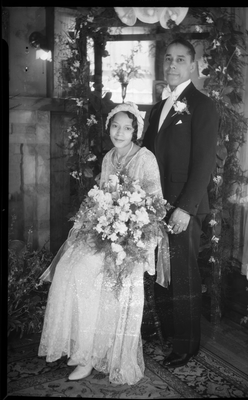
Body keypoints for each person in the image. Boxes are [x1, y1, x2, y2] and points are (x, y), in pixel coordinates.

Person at [38, 102, 169, 385]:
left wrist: (129, 230)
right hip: (108, 232)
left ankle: (91, 356)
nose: (119, 133)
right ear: (108, 127)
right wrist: (96, 221)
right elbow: (104, 196)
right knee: (68, 269)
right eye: (115, 126)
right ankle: (81, 347)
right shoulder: (109, 156)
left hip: (134, 238)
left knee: (90, 277)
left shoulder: (146, 158)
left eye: (127, 128)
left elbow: (155, 207)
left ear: (136, 131)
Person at [143, 37, 219, 368]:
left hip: (183, 209)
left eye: (179, 60)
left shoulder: (202, 105)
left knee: (184, 275)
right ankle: (168, 334)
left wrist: (186, 208)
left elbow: (205, 162)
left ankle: (186, 346)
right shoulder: (158, 108)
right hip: (156, 205)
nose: (172, 65)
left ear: (192, 65)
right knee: (163, 273)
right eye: (168, 59)